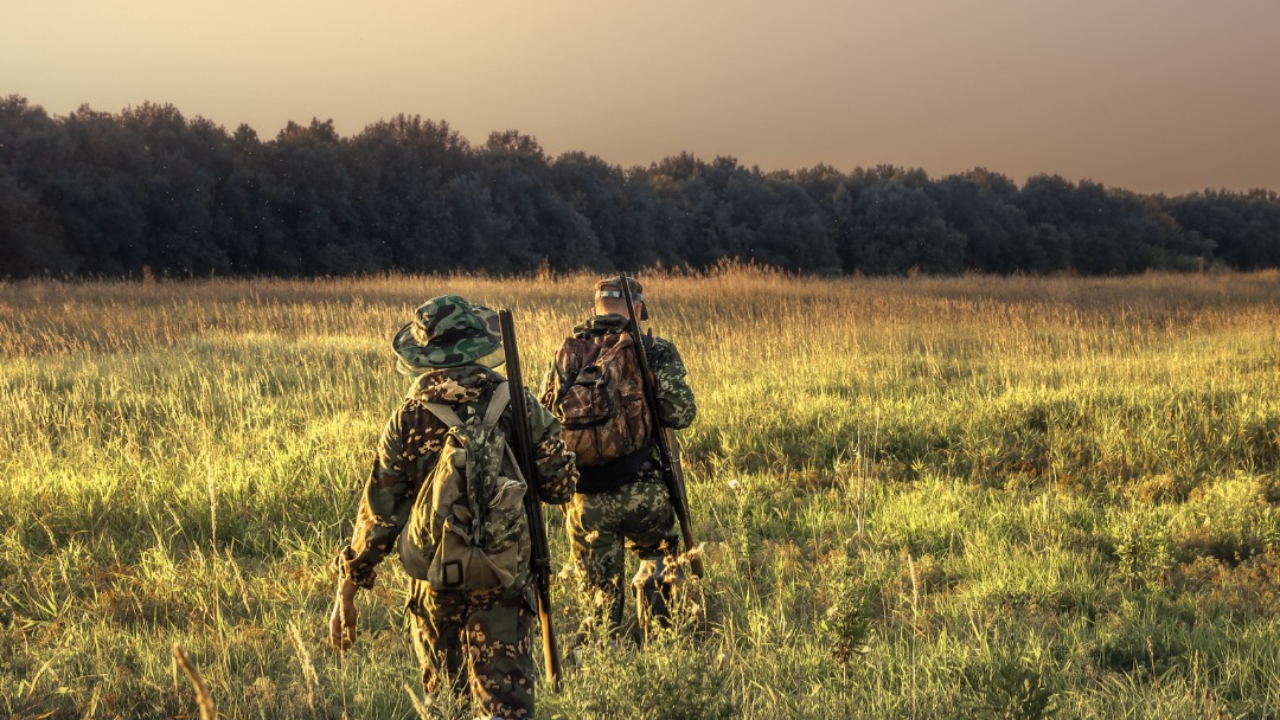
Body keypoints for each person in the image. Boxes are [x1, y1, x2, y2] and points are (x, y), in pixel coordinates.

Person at [329, 295, 577, 719]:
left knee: (446, 708)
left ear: (424, 354)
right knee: (506, 710)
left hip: (435, 586)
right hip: (505, 585)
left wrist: (347, 589)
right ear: (479, 342)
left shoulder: (407, 418)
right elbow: (560, 486)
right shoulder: (517, 401)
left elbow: (379, 520)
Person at [539, 276, 697, 638]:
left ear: (595, 307)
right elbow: (680, 413)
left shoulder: (568, 353)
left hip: (585, 499)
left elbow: (545, 422)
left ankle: (602, 659)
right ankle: (662, 649)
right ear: (638, 309)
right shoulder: (654, 349)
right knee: (659, 569)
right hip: (646, 493)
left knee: (598, 600)